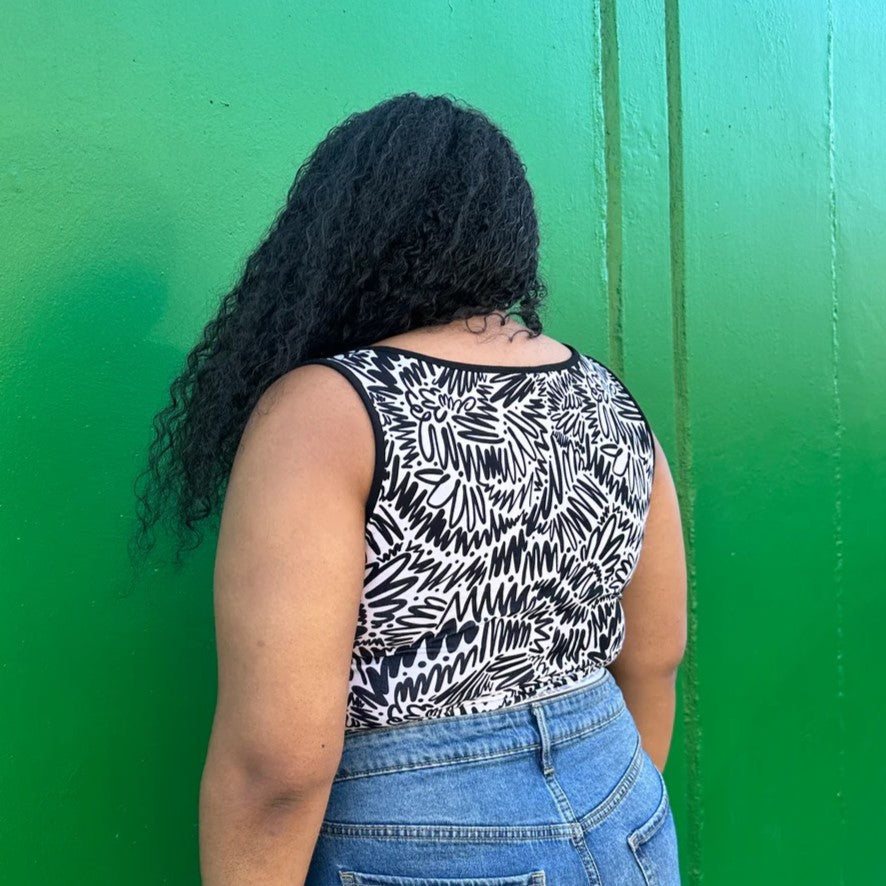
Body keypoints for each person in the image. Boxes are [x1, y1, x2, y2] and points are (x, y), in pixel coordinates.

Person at [134, 92, 687, 885]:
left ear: (341, 232)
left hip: (426, 841)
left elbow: (278, 763)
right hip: (624, 807)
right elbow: (655, 658)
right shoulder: (606, 398)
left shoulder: (330, 410)